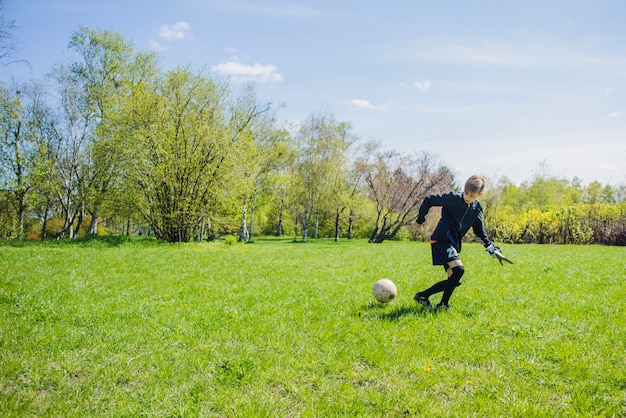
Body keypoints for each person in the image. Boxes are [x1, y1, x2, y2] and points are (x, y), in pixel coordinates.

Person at [413, 175, 501, 310]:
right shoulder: (453, 198)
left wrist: (490, 246)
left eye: (472, 196)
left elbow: (479, 231)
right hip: (441, 239)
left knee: (455, 280)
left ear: (480, 194)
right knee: (459, 270)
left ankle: (423, 296)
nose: (467, 197)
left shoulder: (477, 208)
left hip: (453, 244)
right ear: (464, 188)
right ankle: (443, 305)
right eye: (466, 193)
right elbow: (429, 200)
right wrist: (420, 220)